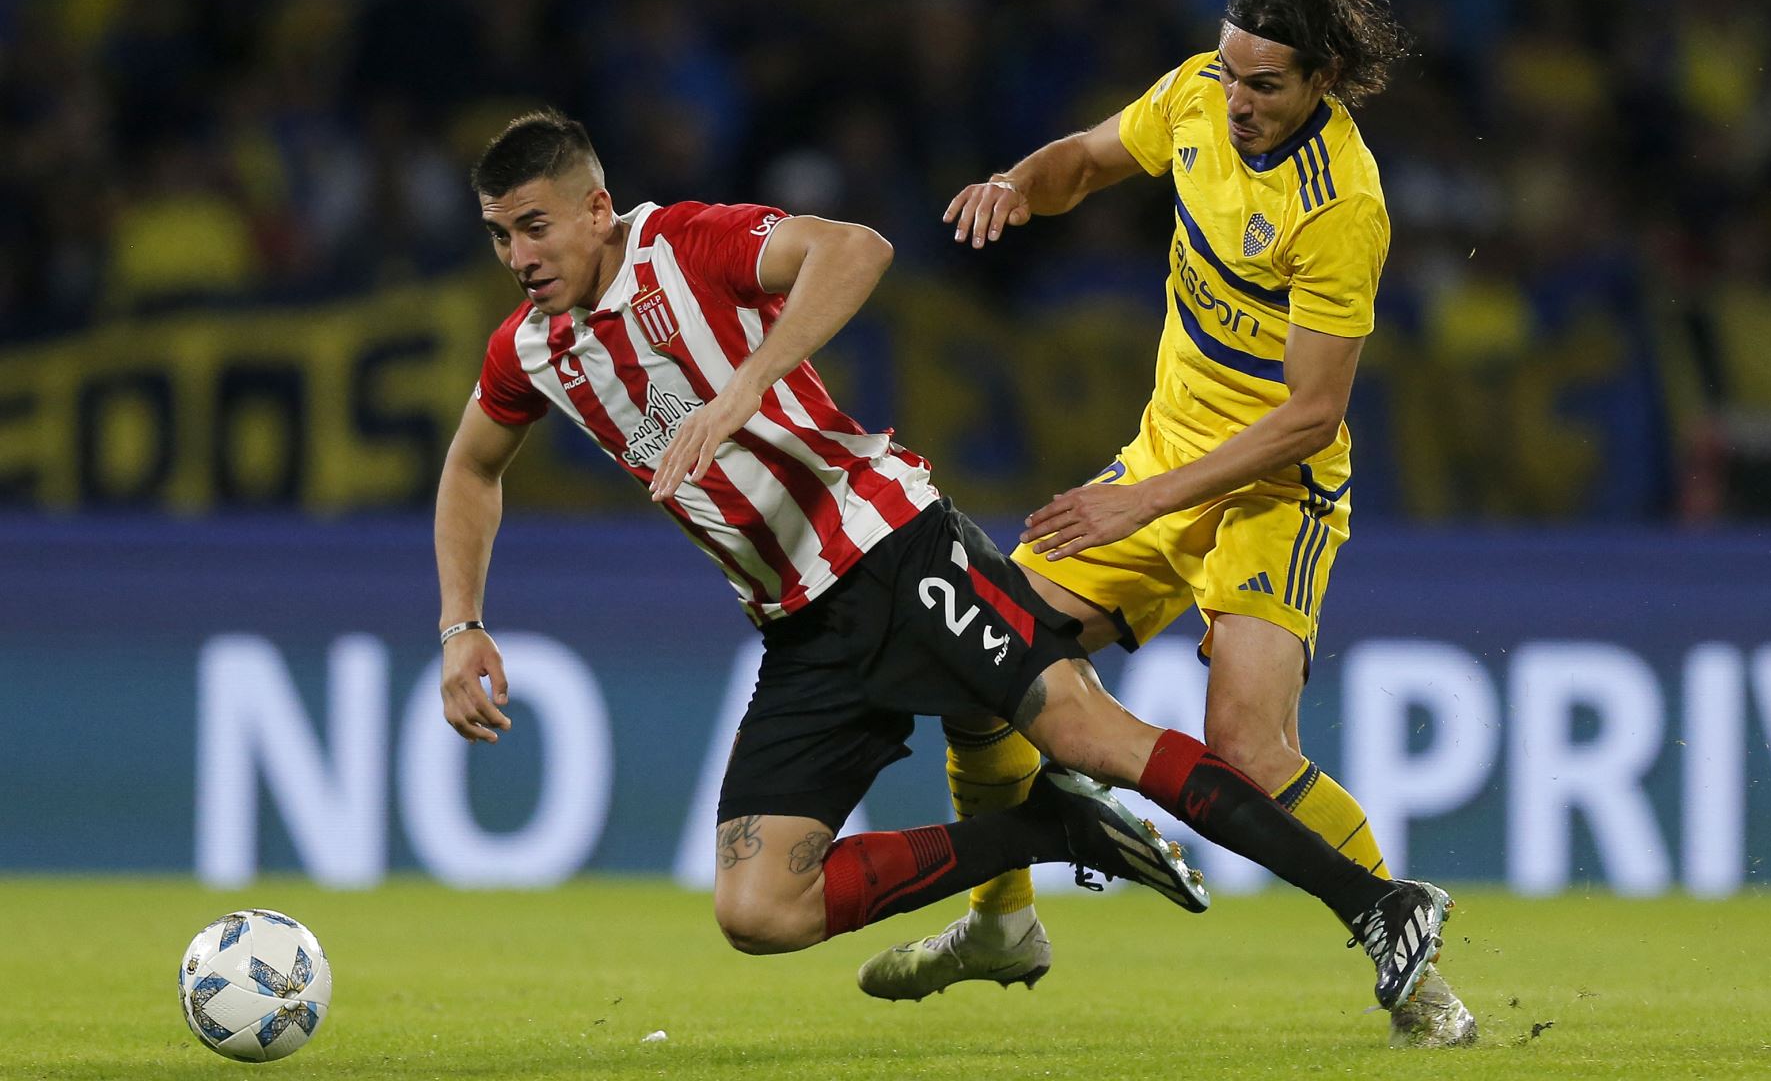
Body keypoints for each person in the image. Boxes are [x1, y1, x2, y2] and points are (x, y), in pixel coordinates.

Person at [435, 107, 1454, 1018]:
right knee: (758, 910)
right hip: (799, 624)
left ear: (598, 207)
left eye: (534, 225)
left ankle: (1376, 903)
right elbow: (472, 469)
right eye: (498, 234)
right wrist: (462, 624)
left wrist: (746, 385)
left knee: (1091, 732)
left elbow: (856, 249)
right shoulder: (529, 351)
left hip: (891, 544)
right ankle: (1050, 834)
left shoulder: (685, 246)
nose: (517, 253)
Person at [855, 0, 1478, 1048]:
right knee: (983, 661)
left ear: (1323, 78)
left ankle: (1416, 976)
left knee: (1245, 742)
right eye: (1232, 74)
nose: (1238, 101)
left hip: (1272, 492)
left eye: (1266, 86)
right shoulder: (1195, 92)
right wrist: (1017, 180)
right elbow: (1088, 164)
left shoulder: (1342, 208)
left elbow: (1312, 415)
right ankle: (1002, 928)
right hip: (1160, 461)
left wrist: (1139, 501)